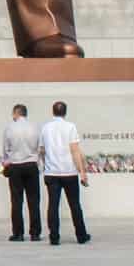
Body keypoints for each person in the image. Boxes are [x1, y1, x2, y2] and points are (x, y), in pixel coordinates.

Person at [39, 101, 91, 246]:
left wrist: (45, 164)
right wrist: (82, 172)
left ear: (53, 112)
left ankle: (54, 236)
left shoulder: (45, 128)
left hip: (51, 172)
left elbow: (42, 150)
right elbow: (75, 150)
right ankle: (81, 235)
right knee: (74, 204)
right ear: (65, 112)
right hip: (69, 172)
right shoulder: (70, 127)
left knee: (53, 205)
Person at [2, 103, 42, 242]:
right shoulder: (35, 127)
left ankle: (18, 233)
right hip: (31, 165)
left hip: (15, 166)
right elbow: (39, 147)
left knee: (16, 201)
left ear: (16, 113)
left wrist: (4, 165)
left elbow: (6, 150)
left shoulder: (9, 128)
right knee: (34, 201)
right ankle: (35, 232)